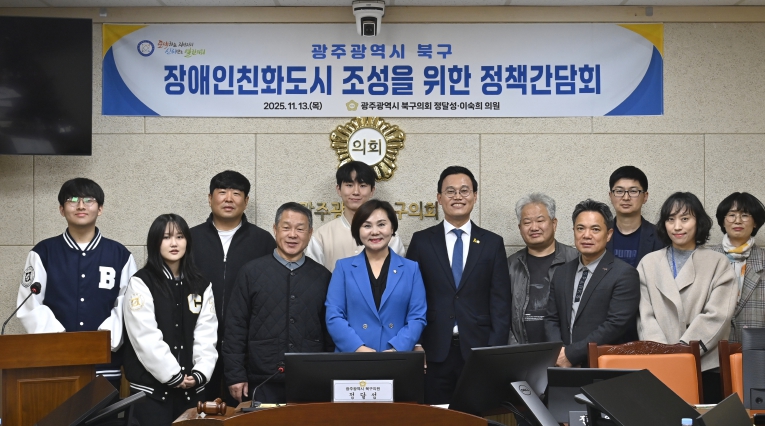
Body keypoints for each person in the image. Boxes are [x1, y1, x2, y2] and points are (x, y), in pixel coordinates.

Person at [16, 178, 137, 389]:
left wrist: (102, 341)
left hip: (105, 366)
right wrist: (64, 343)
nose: (81, 206)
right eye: (72, 200)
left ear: (100, 209)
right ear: (61, 209)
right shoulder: (43, 253)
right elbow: (30, 305)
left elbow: (128, 306)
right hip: (56, 365)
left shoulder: (120, 255)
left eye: (89, 200)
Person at [406, 166, 510, 404]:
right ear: (439, 197)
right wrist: (416, 344)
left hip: (478, 350)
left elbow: (500, 302)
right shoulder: (422, 241)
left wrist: (493, 352)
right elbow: (410, 297)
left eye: (464, 190)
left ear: (475, 196)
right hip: (433, 350)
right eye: (450, 191)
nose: (458, 196)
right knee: (436, 415)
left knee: (475, 415)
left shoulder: (492, 243)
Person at [224, 203, 333, 404]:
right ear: (275, 229)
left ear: (310, 233)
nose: (293, 235)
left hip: (310, 380)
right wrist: (235, 374)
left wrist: (329, 375)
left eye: (300, 229)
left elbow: (330, 332)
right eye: (286, 227)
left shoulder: (323, 277)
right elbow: (235, 327)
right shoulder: (251, 272)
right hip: (261, 380)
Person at [637, 192, 737, 402]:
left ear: (698, 222)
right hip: (659, 364)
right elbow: (644, 315)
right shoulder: (649, 262)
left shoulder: (718, 262)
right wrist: (664, 353)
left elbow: (718, 315)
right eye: (670, 219)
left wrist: (684, 350)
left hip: (706, 365)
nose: (677, 226)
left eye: (685, 218)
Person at [123, 214, 217, 425]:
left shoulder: (201, 284)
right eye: (166, 237)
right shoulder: (141, 282)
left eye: (180, 237)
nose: (174, 243)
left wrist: (200, 373)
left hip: (191, 391)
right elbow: (145, 337)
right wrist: (173, 375)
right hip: (151, 394)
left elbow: (206, 332)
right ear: (155, 242)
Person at [190, 170, 276, 401]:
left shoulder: (263, 241)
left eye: (236, 193)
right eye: (222, 192)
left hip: (246, 348)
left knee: (242, 411)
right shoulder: (189, 239)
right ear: (210, 198)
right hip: (197, 343)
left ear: (246, 201)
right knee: (199, 411)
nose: (229, 199)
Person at [545, 199, 640, 368]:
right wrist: (559, 353)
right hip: (561, 365)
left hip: (602, 367)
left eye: (595, 229)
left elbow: (615, 325)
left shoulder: (624, 274)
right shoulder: (561, 272)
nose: (586, 235)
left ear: (609, 234)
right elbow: (551, 318)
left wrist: (571, 354)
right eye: (580, 228)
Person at [325, 200, 426, 353]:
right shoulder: (343, 268)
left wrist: (397, 349)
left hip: (397, 357)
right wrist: (358, 348)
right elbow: (334, 315)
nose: (374, 232)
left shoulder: (411, 269)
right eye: (367, 226)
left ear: (392, 227)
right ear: (358, 230)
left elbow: (417, 317)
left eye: (381, 224)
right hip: (352, 356)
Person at [306, 161, 405, 272]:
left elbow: (400, 274)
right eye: (349, 185)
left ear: (372, 191)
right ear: (338, 189)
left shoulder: (391, 237)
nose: (356, 192)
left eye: (363, 186)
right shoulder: (321, 236)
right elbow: (312, 276)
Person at [508, 193, 578, 345]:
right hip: (522, 352)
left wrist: (571, 352)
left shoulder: (575, 260)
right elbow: (500, 314)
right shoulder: (510, 265)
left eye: (540, 221)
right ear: (520, 228)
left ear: (554, 223)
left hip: (566, 352)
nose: (534, 227)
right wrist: (514, 351)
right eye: (527, 222)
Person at [710, 192, 765, 343]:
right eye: (731, 215)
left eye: (745, 215)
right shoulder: (707, 259)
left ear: (755, 222)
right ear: (723, 221)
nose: (738, 221)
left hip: (757, 348)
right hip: (714, 347)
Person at [606, 166, 665, 268]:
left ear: (645, 196)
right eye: (619, 191)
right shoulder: (599, 234)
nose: (626, 197)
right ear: (611, 196)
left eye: (633, 191)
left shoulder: (661, 237)